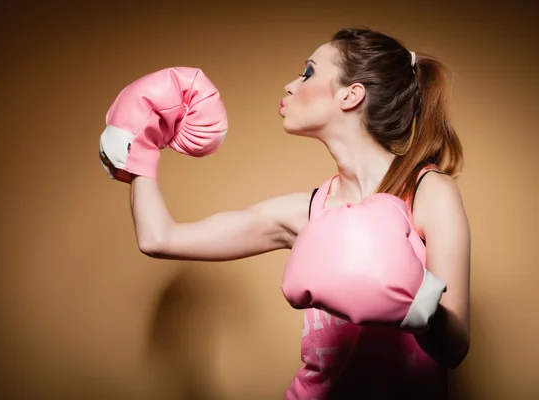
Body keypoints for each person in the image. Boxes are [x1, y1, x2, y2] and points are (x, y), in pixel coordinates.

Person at [129, 27, 471, 399]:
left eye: (308, 72)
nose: (291, 85)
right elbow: (159, 238)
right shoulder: (306, 212)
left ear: (350, 95)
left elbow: (454, 348)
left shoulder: (429, 192)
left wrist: (416, 303)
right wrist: (138, 147)